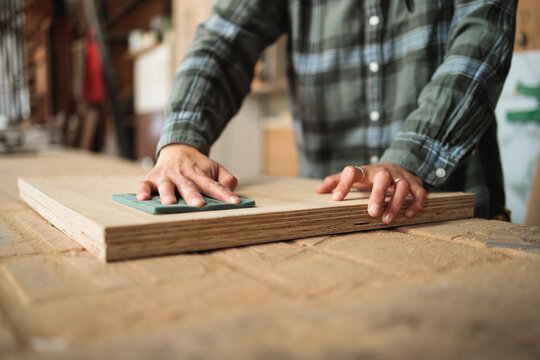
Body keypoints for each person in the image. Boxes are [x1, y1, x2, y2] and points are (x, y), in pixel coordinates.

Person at [137, 0, 516, 224]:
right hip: (326, 219)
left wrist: (410, 159)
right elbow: (224, 41)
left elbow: (483, 35)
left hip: (451, 208)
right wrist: (182, 140)